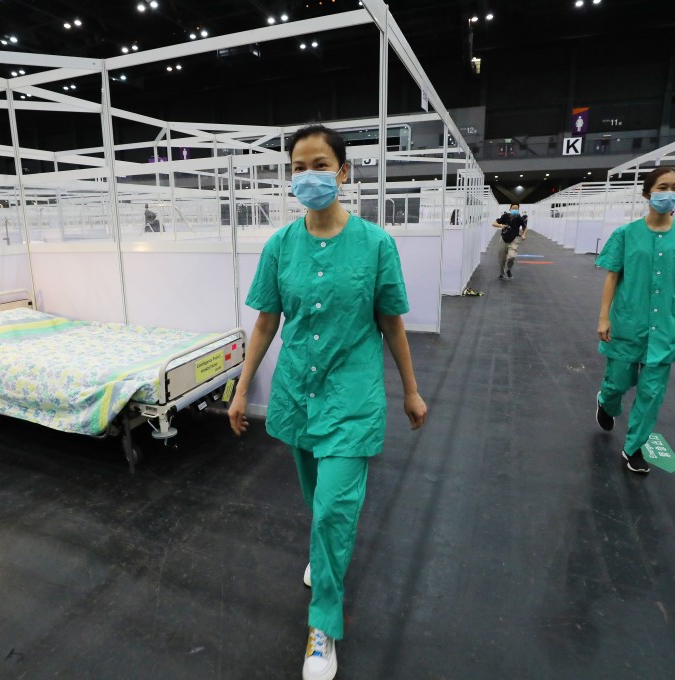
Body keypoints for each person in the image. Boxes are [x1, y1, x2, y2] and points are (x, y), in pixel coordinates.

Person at [227, 124, 428, 680]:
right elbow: (267, 321)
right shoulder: (280, 246)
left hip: (353, 396)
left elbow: (392, 322)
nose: (308, 176)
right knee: (318, 500)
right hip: (297, 393)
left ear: (343, 171)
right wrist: (243, 389)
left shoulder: (375, 244)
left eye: (320, 165)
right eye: (298, 167)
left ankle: (323, 628)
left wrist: (410, 390)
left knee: (336, 509)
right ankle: (324, 555)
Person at [594, 166, 675, 473]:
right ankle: (606, 401)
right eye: (662, 187)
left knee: (652, 391)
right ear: (647, 193)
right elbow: (611, 276)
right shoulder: (626, 234)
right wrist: (604, 318)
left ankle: (634, 448)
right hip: (628, 320)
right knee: (620, 380)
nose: (669, 192)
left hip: (666, 325)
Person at [491, 202, 527, 279]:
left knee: (511, 257)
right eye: (513, 208)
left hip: (514, 239)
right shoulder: (505, 216)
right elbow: (494, 223)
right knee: (502, 259)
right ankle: (501, 273)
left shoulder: (519, 218)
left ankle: (509, 269)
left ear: (518, 210)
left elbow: (525, 227)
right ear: (510, 209)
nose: (514, 210)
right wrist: (501, 225)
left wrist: (524, 234)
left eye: (516, 209)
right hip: (504, 239)